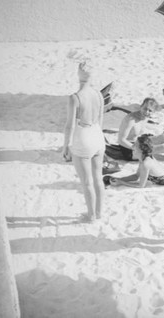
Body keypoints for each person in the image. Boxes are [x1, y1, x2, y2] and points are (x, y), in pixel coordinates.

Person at [62, 62, 105, 223]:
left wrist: (66, 146)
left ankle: (91, 215)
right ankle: (99, 212)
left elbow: (69, 126)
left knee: (87, 182)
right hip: (97, 134)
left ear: (78, 75)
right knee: (98, 178)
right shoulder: (99, 95)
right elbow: (101, 119)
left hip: (83, 136)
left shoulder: (75, 97)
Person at [106, 97, 164, 161]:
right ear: (140, 107)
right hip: (130, 151)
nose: (146, 112)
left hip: (139, 142)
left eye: (150, 110)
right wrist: (136, 148)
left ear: (153, 112)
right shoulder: (130, 120)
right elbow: (121, 140)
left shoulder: (145, 117)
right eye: (145, 108)